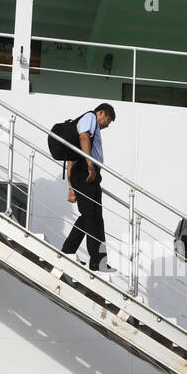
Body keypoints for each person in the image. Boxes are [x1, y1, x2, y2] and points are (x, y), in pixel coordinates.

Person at [61, 104, 117, 273]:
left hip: (89, 172)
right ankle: (95, 261)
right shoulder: (90, 117)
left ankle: (70, 251)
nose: (106, 126)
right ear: (101, 113)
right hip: (86, 172)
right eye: (106, 122)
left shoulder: (92, 121)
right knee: (91, 216)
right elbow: (84, 136)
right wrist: (90, 165)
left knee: (94, 217)